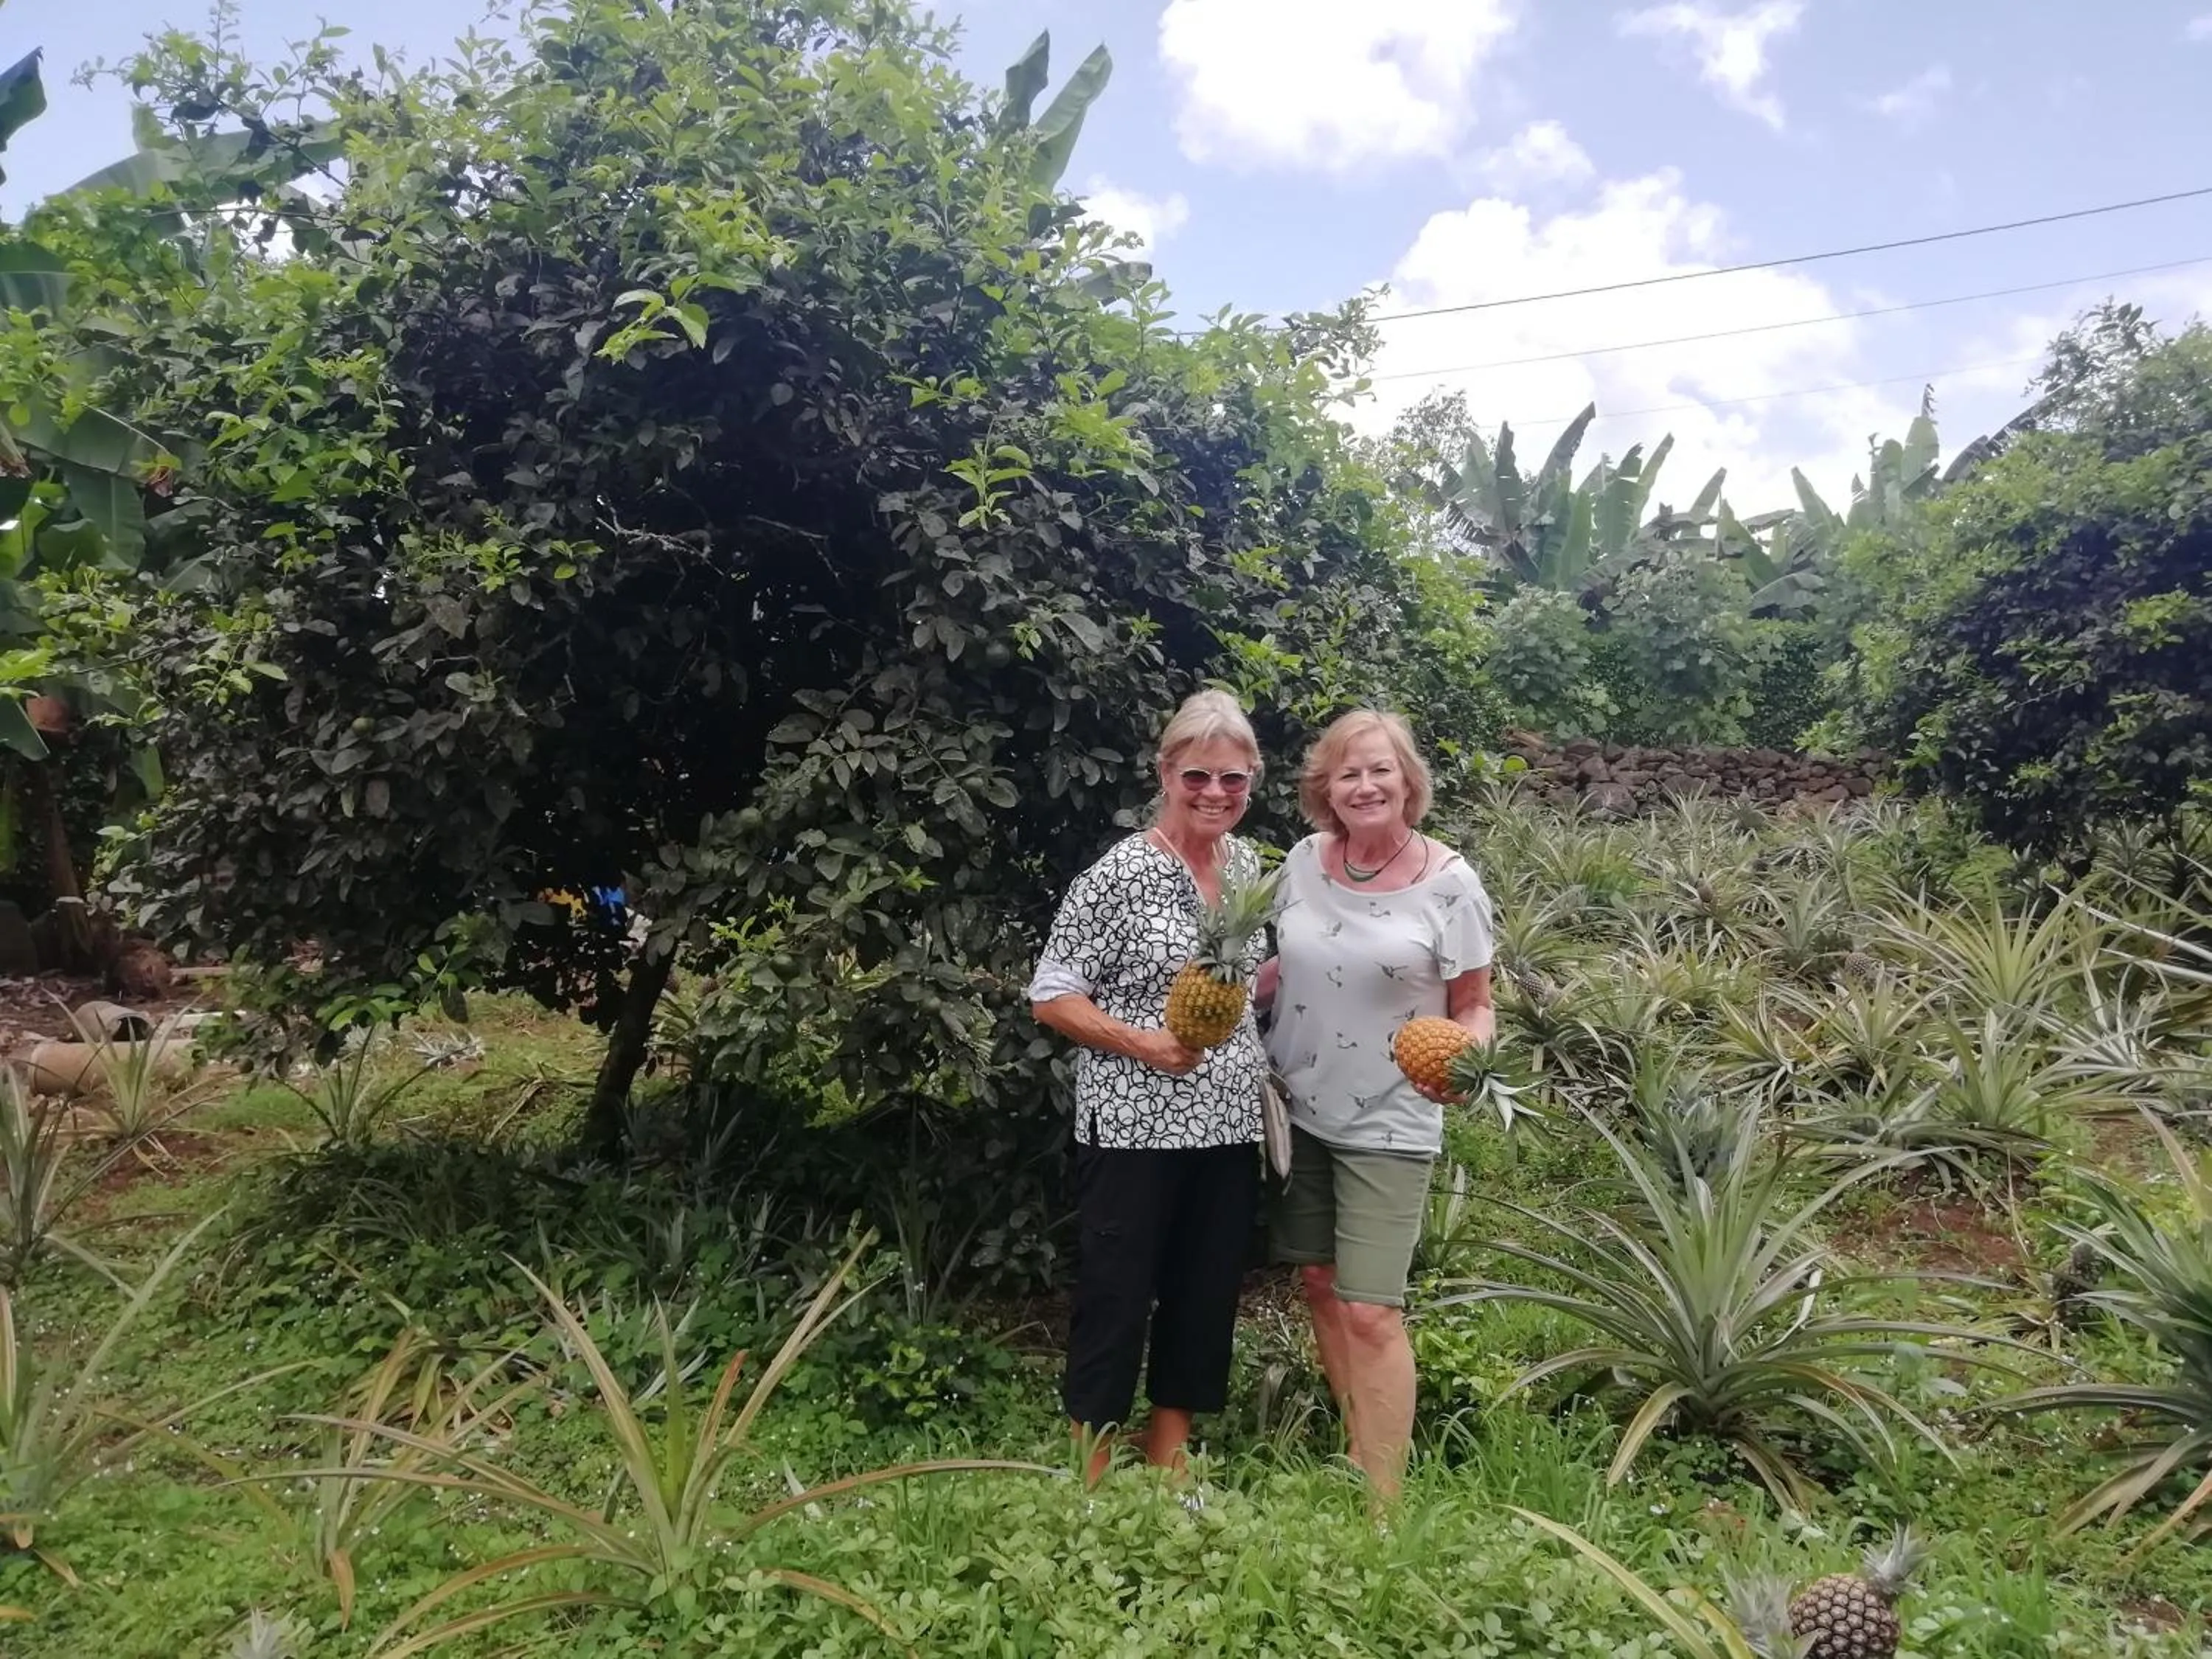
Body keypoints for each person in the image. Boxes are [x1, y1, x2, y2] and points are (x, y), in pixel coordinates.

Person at [1029, 689, 1268, 1479]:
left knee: (1205, 1291)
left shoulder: (1247, 867)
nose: (1215, 794)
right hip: (1134, 1120)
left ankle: (1169, 1451)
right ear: (1166, 772)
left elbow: (1241, 984)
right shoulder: (1121, 873)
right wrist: (1139, 1041)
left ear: (1252, 781)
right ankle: (1091, 1458)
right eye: (1198, 776)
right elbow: (1052, 992)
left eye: (1233, 780)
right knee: (1117, 1290)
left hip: (1228, 1117)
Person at [1258, 709, 1495, 1499]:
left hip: (1393, 1114)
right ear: (1327, 787)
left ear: (1408, 782)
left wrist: (1466, 1058)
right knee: (1321, 1282)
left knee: (1372, 1309)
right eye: (1348, 773)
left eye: (1380, 770)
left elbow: (1476, 1003)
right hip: (1299, 1102)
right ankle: (1359, 1448)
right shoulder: (1301, 862)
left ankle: (1384, 1501)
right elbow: (1284, 966)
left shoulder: (1450, 882)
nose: (1365, 785)